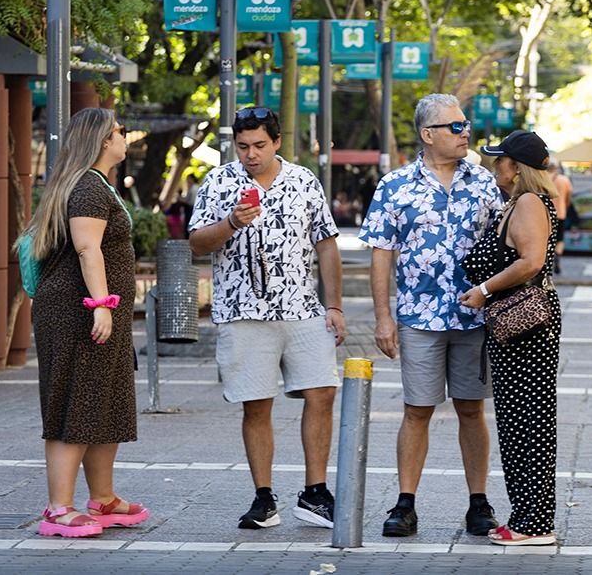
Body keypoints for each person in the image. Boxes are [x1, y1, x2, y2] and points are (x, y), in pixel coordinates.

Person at [188, 106, 347, 531]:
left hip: (302, 308)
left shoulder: (303, 181)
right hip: (242, 311)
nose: (251, 154)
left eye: (259, 145)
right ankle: (263, 497)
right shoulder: (219, 182)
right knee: (256, 404)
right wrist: (230, 223)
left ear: (276, 142)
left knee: (322, 394)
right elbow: (197, 243)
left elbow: (326, 245)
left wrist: (335, 306)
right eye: (243, 147)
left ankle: (315, 493)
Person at [358, 93, 502, 539]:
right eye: (456, 127)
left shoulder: (483, 183)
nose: (466, 133)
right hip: (419, 318)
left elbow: (505, 243)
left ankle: (478, 502)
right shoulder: (395, 186)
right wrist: (383, 318)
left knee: (471, 410)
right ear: (428, 134)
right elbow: (381, 256)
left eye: (466, 126)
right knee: (417, 410)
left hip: (474, 318)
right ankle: (405, 504)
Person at [20, 107, 147, 538]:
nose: (123, 137)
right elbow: (87, 249)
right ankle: (58, 509)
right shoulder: (89, 189)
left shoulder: (94, 184)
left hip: (92, 313)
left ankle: (103, 498)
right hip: (78, 314)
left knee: (104, 403)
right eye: (119, 131)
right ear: (101, 140)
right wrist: (101, 304)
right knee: (73, 403)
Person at [458, 130, 561, 546]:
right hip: (514, 327)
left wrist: (483, 291)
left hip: (527, 325)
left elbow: (532, 260)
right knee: (518, 422)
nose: (493, 165)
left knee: (529, 422)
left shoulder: (531, 203)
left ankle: (534, 523)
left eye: (499, 160)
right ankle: (527, 517)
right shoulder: (517, 203)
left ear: (515, 167)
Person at [547, 163, 572, 274]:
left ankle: (548, 259)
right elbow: (569, 197)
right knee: (560, 238)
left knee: (547, 238)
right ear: (557, 168)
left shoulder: (544, 178)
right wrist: (565, 206)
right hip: (560, 213)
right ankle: (557, 255)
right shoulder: (564, 180)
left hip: (545, 214)